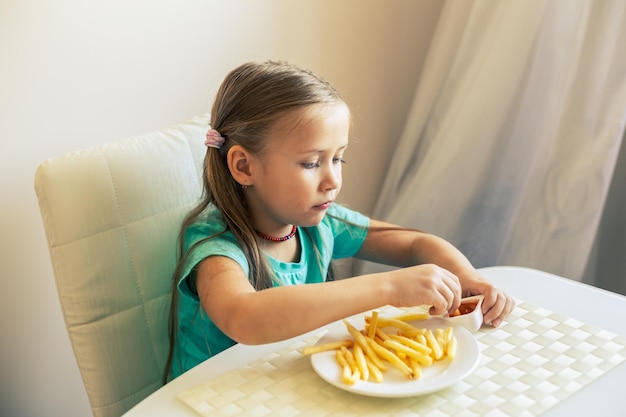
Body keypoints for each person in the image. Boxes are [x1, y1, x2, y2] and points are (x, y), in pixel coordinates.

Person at [163, 60, 515, 382]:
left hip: (284, 388)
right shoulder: (216, 246)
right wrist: (389, 288)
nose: (332, 180)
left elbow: (413, 243)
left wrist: (467, 277)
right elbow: (245, 317)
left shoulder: (321, 223)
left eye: (338, 159)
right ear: (244, 166)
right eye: (312, 163)